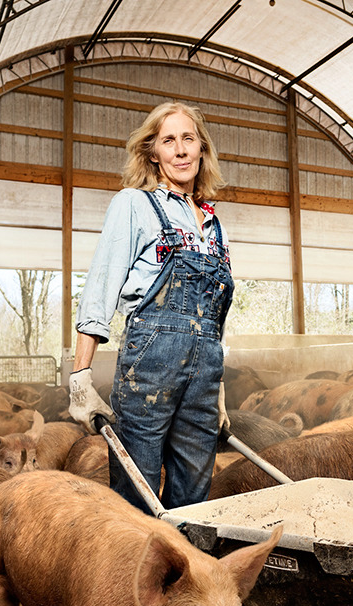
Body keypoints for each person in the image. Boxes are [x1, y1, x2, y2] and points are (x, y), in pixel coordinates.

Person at [68, 101, 233, 513]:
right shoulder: (134, 205)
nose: (180, 150)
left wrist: (219, 389)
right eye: (168, 140)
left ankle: (186, 573)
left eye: (188, 139)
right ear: (153, 153)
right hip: (149, 368)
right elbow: (101, 288)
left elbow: (216, 314)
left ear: (201, 150)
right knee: (135, 498)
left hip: (204, 376)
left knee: (194, 501)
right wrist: (80, 377)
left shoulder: (215, 226)